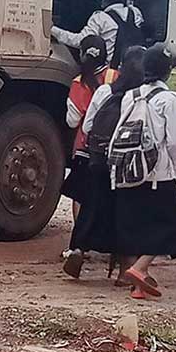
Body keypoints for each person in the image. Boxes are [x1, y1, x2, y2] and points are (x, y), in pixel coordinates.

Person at [113, 43, 176, 300]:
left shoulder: (131, 96)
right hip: (158, 173)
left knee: (138, 226)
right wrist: (174, 165)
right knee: (170, 226)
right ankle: (140, 268)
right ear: (167, 72)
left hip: (131, 171)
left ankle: (138, 285)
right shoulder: (169, 100)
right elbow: (175, 141)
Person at [64, 45, 145, 280]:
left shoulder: (105, 92)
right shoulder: (142, 97)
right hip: (128, 166)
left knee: (90, 206)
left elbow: (88, 126)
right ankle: (122, 272)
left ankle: (78, 249)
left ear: (121, 67)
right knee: (125, 213)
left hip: (99, 161)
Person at [61, 34, 117, 222]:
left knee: (81, 194)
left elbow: (72, 121)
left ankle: (80, 239)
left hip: (86, 147)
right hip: (113, 147)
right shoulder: (116, 76)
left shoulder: (79, 83)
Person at [51, 0, 144, 67]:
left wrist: (51, 29)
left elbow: (79, 41)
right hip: (133, 70)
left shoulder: (100, 18)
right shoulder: (135, 13)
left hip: (111, 73)